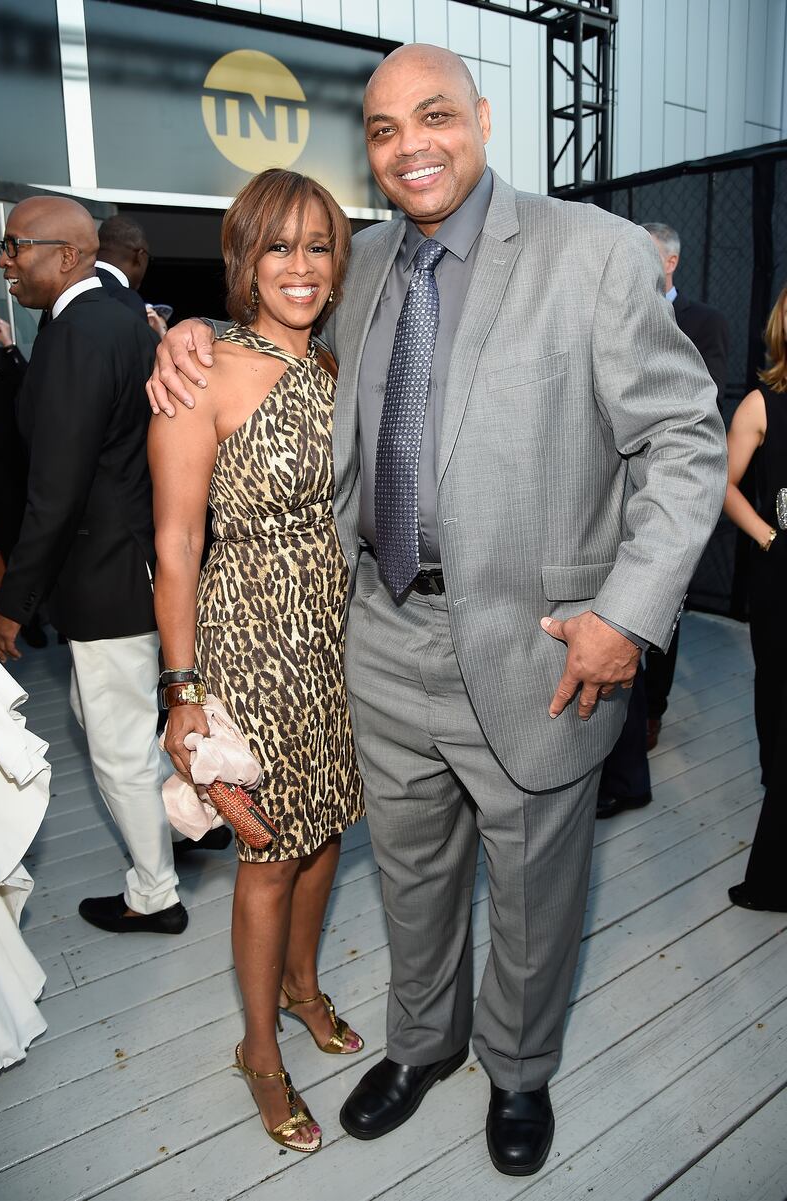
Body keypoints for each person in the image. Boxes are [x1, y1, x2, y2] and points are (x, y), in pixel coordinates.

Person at [150, 45, 727, 1176]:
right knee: (411, 876)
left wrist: (629, 612)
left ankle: (517, 1069)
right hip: (379, 635)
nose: (410, 144)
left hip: (539, 644)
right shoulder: (356, 261)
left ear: (483, 119)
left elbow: (683, 438)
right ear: (364, 151)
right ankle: (422, 1043)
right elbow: (267, 328)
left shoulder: (594, 253)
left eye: (434, 117)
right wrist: (179, 331)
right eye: (381, 129)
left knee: (531, 885)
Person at [149, 168, 365, 1156]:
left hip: (335, 644)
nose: (299, 265)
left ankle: (304, 987)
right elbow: (176, 544)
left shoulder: (331, 369)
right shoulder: (197, 373)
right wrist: (184, 694)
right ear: (243, 259)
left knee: (324, 838)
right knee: (269, 853)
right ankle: (257, 1048)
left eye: (317, 244)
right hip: (249, 651)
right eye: (277, 245)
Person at [0, 195, 187, 936]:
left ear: (67, 255)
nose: (7, 263)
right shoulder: (118, 311)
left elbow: (57, 487)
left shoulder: (78, 329)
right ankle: (193, 824)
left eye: (15, 248)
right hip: (128, 564)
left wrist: (12, 600)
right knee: (105, 719)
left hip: (106, 572)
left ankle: (155, 892)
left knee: (117, 746)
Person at [641, 222, 731, 751]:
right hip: (614, 487)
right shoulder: (611, 306)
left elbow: (707, 401)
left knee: (663, 603)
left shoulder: (705, 321)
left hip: (670, 482)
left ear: (670, 262)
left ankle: (654, 709)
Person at [722, 283, 787, 913]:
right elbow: (724, 484)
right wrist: (770, 537)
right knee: (778, 699)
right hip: (782, 577)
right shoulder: (763, 404)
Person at [0, 301, 47, 649]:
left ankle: (31, 621)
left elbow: (29, 388)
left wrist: (9, 344)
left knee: (13, 543)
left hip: (1, 470)